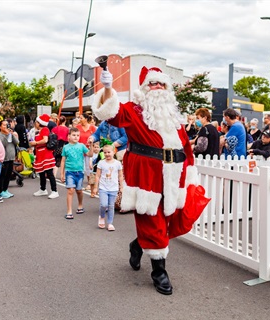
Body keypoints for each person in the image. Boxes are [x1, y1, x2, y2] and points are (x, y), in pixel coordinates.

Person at [93, 66, 206, 295]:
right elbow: (111, 113)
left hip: (174, 178)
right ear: (144, 88)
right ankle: (159, 272)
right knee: (153, 222)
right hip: (148, 179)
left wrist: (190, 174)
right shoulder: (134, 111)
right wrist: (107, 89)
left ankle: (137, 244)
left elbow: (185, 148)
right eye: (153, 84)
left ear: (167, 88)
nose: (157, 88)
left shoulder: (174, 118)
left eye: (161, 84)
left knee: (170, 220)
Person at [60, 127, 93, 219]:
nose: (76, 137)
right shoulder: (65, 147)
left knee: (79, 190)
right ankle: (69, 211)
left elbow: (90, 155)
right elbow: (63, 161)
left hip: (80, 172)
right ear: (69, 136)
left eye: (78, 135)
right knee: (70, 190)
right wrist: (62, 174)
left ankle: (80, 205)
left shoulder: (82, 146)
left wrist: (91, 145)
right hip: (69, 172)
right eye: (74, 135)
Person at [93, 144, 123, 231]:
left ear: (114, 152)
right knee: (104, 204)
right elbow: (97, 175)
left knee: (111, 206)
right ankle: (102, 216)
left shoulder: (117, 163)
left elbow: (120, 176)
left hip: (113, 188)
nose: (107, 154)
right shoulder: (101, 163)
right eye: (105, 152)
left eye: (109, 152)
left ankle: (110, 223)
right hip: (103, 188)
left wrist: (121, 187)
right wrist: (95, 187)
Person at [31, 114, 58, 199]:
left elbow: (45, 140)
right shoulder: (39, 131)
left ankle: (54, 191)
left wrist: (35, 143)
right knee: (41, 172)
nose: (35, 123)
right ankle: (43, 189)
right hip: (40, 153)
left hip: (45, 154)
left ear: (39, 123)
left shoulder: (45, 129)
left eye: (36, 122)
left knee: (49, 173)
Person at [0, 119, 19, 199]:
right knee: (2, 175)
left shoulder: (10, 134)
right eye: (4, 125)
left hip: (11, 157)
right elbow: (4, 144)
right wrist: (7, 135)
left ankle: (5, 190)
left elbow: (16, 142)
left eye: (7, 125)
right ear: (0, 126)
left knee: (8, 175)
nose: (6, 126)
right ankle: (0, 191)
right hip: (4, 158)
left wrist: (11, 134)